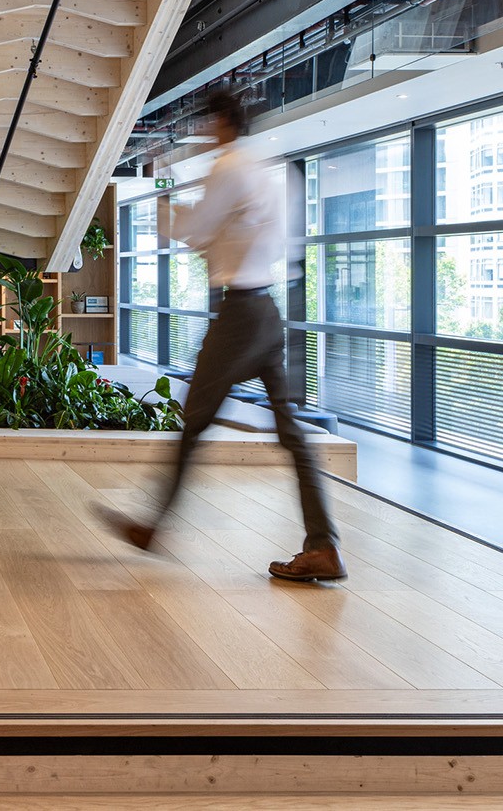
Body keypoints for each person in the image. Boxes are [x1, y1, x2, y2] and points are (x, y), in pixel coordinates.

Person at [97, 90, 344, 582]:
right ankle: (324, 545)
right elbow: (248, 238)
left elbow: (196, 231)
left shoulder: (229, 167)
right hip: (266, 311)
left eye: (206, 123)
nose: (203, 133)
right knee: (291, 435)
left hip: (238, 316)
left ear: (220, 122)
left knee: (192, 423)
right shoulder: (268, 170)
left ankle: (153, 525)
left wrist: (165, 196)